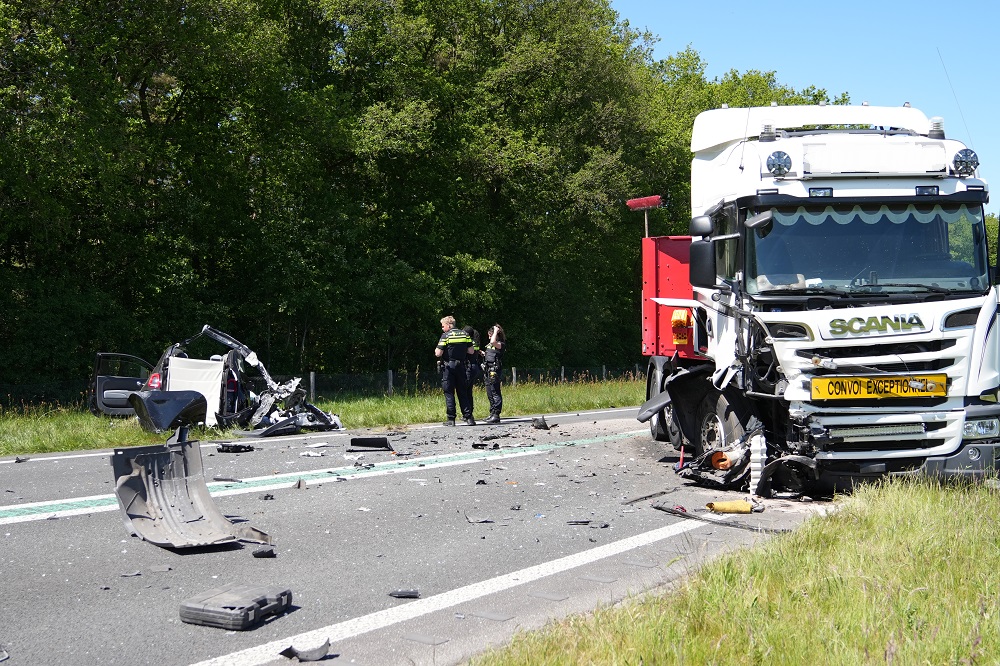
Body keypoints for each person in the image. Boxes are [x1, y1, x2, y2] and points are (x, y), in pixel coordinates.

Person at [435, 316, 475, 426]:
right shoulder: (465, 334)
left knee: (449, 392)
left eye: (443, 326)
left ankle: (451, 419)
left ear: (448, 325)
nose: (442, 328)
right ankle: (469, 418)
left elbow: (438, 353)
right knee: (462, 392)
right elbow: (471, 351)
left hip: (449, 367)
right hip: (461, 367)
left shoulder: (446, 335)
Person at [483, 324, 506, 424]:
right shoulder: (490, 345)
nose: (489, 338)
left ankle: (496, 414)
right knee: (489, 391)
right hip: (488, 369)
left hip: (494, 370)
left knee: (495, 391)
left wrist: (496, 331)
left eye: (490, 335)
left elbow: (493, 342)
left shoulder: (500, 344)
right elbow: (489, 353)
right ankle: (492, 412)